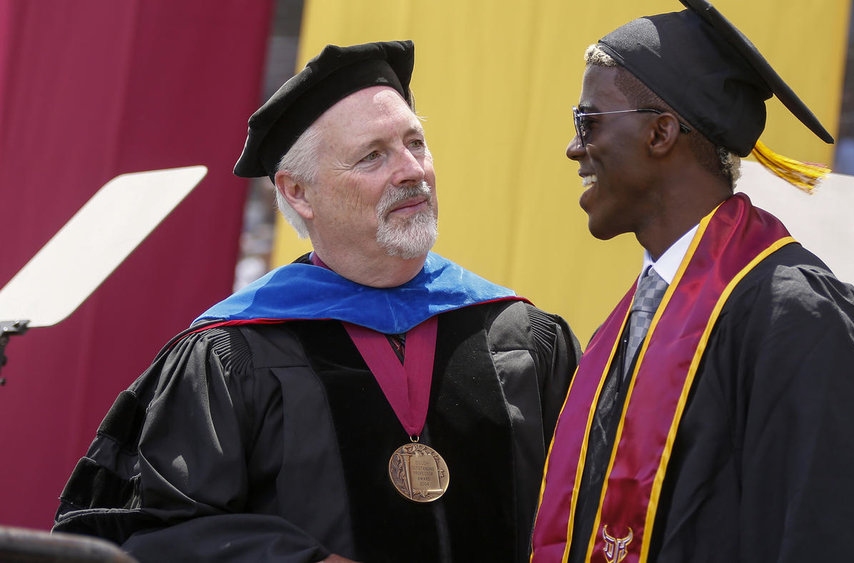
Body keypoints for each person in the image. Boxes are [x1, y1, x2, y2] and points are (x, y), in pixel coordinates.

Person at [52, 41, 579, 563]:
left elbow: (593, 504)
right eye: (373, 155)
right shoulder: (235, 353)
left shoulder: (518, 334)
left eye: (415, 143)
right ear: (299, 193)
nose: (411, 170)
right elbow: (160, 532)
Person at [531, 2, 854, 562]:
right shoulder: (634, 323)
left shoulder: (799, 316)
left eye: (587, 122)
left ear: (660, 133)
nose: (573, 147)